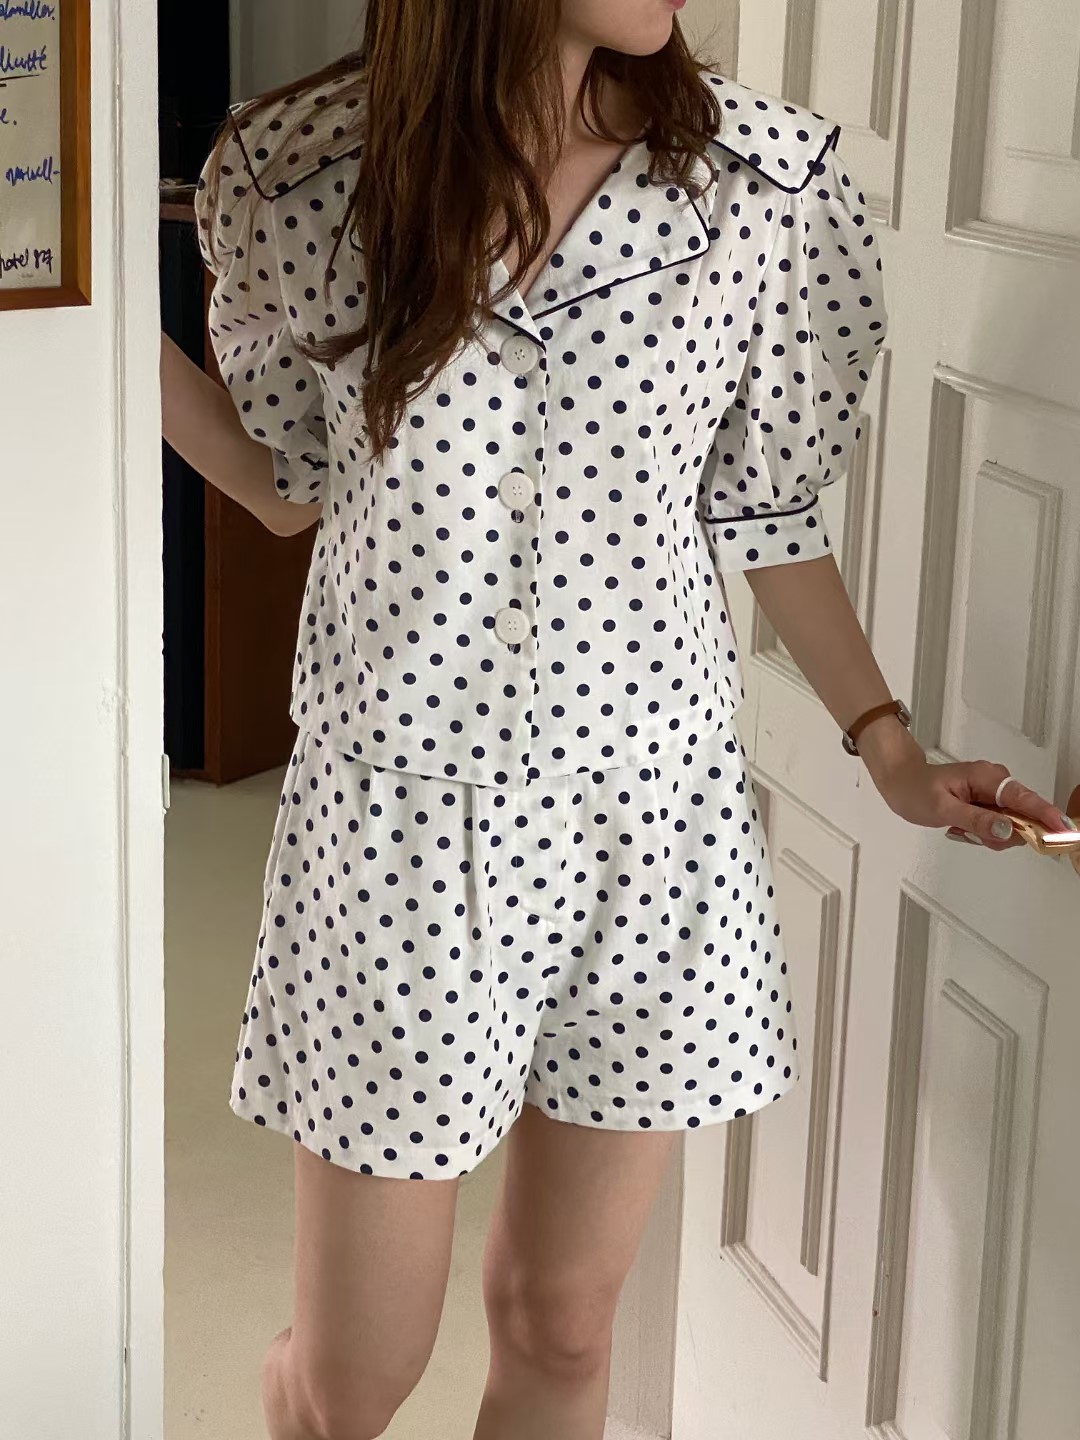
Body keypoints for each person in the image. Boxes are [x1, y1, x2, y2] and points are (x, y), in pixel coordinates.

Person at [159, 3, 1072, 1437]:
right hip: (401, 829)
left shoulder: (759, 183)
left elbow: (768, 515)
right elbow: (288, 483)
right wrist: (80, 302)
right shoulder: (303, 171)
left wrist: (888, 745)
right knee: (353, 1377)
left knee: (564, 1328)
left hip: (653, 827)